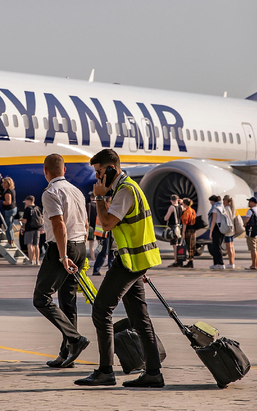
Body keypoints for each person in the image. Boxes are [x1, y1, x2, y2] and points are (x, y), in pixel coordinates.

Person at [75, 148, 163, 388]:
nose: (97, 178)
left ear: (111, 168)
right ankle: (153, 373)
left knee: (101, 310)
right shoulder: (126, 188)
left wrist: (99, 198)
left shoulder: (125, 191)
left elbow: (106, 223)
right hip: (134, 261)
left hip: (127, 262)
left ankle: (105, 371)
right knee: (139, 318)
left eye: (100, 172)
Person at [33, 154, 89, 369]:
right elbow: (84, 223)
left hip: (62, 248)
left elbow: (59, 226)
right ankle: (67, 354)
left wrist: (64, 256)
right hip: (80, 246)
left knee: (42, 298)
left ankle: (75, 339)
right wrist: (78, 253)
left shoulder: (51, 192)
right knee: (68, 301)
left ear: (45, 171)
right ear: (64, 170)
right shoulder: (77, 191)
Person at [92, 196, 114, 276]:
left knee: (111, 252)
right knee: (104, 252)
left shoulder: (110, 211)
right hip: (104, 234)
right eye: (110, 202)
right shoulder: (104, 212)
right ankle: (96, 269)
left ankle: (110, 270)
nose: (111, 204)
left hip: (110, 234)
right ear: (106, 203)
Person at [20, 195, 42, 265]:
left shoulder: (27, 209)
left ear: (29, 201)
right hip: (37, 228)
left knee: (30, 245)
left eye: (26, 202)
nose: (25, 203)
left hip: (29, 228)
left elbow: (25, 220)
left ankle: (31, 260)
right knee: (36, 245)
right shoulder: (38, 208)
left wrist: (23, 227)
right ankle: (37, 261)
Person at [243, 197, 257, 270]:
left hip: (252, 233)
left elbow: (247, 219)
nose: (249, 203)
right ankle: (256, 265)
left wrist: (244, 221)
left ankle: (253, 265)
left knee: (253, 249)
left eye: (250, 202)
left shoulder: (250, 211)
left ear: (254, 203)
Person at [163, 194, 183, 267]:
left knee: (175, 246)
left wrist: (165, 217)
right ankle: (180, 260)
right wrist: (182, 202)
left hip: (173, 228)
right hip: (179, 227)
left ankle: (176, 261)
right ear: (178, 200)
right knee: (179, 244)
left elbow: (166, 218)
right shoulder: (181, 207)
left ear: (171, 200)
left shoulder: (172, 207)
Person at [208, 195, 225, 269]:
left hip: (216, 228)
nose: (210, 203)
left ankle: (220, 263)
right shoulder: (222, 207)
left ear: (213, 201)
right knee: (217, 246)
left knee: (216, 247)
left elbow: (213, 221)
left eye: (210, 201)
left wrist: (210, 232)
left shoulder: (215, 209)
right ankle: (216, 264)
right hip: (222, 228)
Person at [0, 177, 18, 248]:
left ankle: (10, 242)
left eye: (5, 183)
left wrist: (0, 201)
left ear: (9, 184)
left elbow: (8, 202)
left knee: (8, 227)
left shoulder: (8, 192)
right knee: (10, 226)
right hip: (13, 209)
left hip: (9, 210)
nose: (3, 184)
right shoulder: (12, 190)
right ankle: (11, 242)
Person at [180, 198, 197, 269]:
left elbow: (184, 223)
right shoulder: (192, 210)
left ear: (185, 204)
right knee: (192, 245)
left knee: (189, 245)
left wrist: (183, 233)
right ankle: (191, 260)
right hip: (193, 231)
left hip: (188, 231)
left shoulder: (187, 212)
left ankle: (190, 261)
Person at [222, 195, 236, 269]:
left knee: (228, 247)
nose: (223, 201)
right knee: (231, 247)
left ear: (228, 201)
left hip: (228, 230)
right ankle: (232, 262)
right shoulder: (231, 209)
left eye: (225, 200)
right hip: (232, 230)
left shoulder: (226, 209)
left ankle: (231, 263)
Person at [86, 192, 97, 261]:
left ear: (90, 197)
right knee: (100, 243)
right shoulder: (100, 205)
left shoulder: (88, 205)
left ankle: (93, 259)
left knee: (91, 244)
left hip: (91, 227)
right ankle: (104, 257)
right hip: (99, 227)